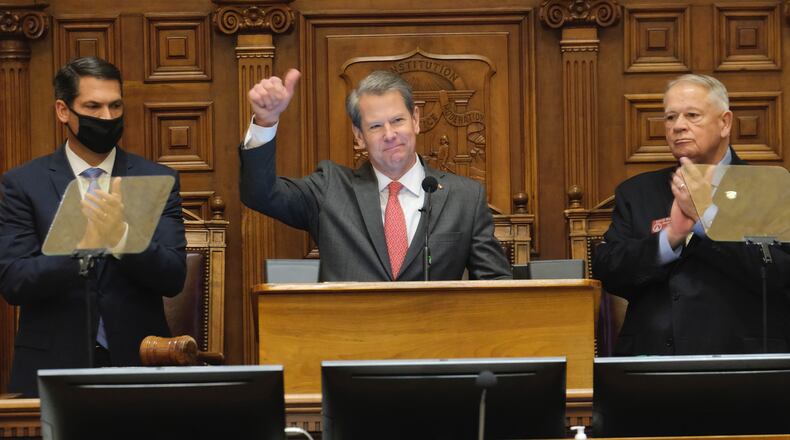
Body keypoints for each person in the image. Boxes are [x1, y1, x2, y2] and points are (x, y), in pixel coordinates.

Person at [0, 57, 187, 397]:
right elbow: (14, 281)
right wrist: (79, 250)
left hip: (140, 362)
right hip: (52, 366)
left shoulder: (157, 179)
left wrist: (122, 238)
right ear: (63, 111)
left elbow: (173, 276)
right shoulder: (23, 184)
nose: (107, 117)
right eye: (93, 107)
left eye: (115, 106)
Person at [239, 69, 511, 281]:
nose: (390, 134)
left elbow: (496, 284)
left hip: (435, 336)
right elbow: (260, 194)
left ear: (416, 120)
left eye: (398, 120)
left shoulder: (465, 197)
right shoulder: (330, 189)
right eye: (376, 126)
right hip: (352, 335)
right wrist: (266, 122)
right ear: (359, 136)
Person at [592, 74, 790, 356]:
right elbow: (609, 270)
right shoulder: (637, 192)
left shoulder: (770, 187)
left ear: (725, 123)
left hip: (743, 359)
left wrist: (707, 219)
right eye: (670, 117)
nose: (678, 126)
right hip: (654, 360)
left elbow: (780, 273)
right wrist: (670, 238)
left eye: (692, 115)